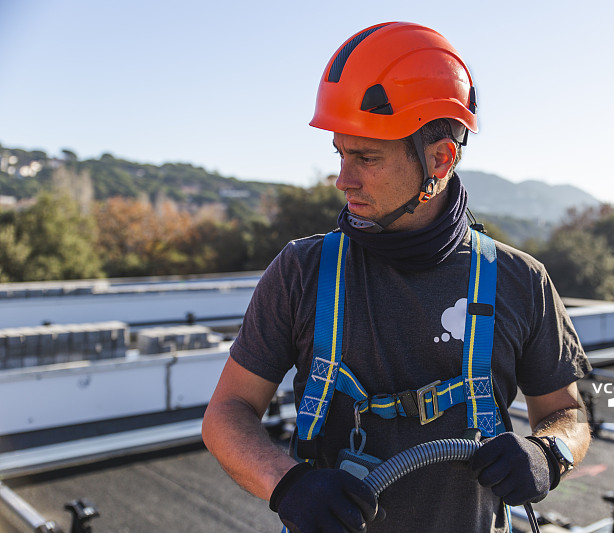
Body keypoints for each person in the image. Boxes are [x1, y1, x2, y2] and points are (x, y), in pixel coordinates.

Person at [203, 21, 591, 533]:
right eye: (340, 153)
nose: (343, 179)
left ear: (440, 158)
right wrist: (286, 482)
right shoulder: (302, 272)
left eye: (366, 157)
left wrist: (548, 452)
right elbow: (227, 412)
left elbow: (570, 414)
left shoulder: (520, 281)